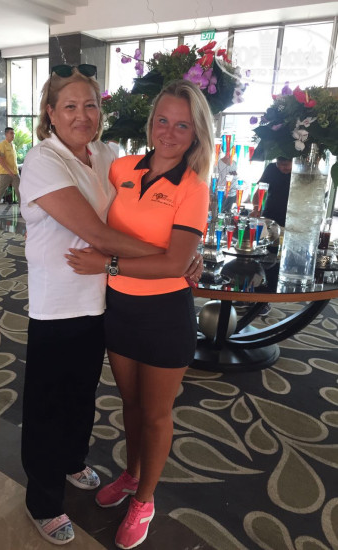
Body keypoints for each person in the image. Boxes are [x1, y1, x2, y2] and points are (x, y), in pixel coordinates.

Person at [19, 66, 204, 546]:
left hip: (102, 302)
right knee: (46, 406)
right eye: (70, 106)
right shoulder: (42, 159)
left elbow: (143, 216)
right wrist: (174, 258)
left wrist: (183, 253)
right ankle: (43, 500)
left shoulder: (108, 156)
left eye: (90, 105)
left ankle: (72, 461)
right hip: (57, 304)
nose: (82, 115)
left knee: (82, 396)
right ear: (50, 113)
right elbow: (100, 234)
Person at [66, 79, 213, 549]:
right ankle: (131, 475)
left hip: (165, 314)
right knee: (129, 405)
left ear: (196, 132)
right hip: (120, 308)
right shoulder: (122, 168)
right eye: (162, 121)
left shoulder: (194, 188)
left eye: (182, 125)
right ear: (151, 123)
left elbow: (173, 264)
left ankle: (144, 499)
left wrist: (108, 264)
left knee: (155, 414)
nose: (169, 132)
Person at [250, 156, 292, 226]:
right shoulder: (271, 168)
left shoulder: (300, 173)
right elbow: (259, 191)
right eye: (278, 164)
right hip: (270, 214)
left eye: (285, 165)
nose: (281, 168)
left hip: (291, 217)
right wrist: (256, 208)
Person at [0, 127, 20, 213]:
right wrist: (9, 172)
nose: (13, 135)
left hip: (15, 173)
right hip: (5, 173)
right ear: (6, 134)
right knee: (1, 190)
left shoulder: (13, 145)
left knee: (20, 190)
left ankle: (23, 209)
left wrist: (14, 171)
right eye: (11, 133)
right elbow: (1, 160)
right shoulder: (2, 145)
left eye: (14, 133)